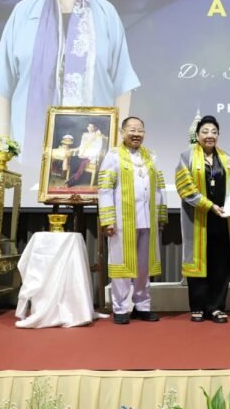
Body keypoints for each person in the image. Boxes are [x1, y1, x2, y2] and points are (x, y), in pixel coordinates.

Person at [0, 0, 140, 163]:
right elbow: (1, 82)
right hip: (26, 148)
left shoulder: (106, 13)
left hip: (95, 149)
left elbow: (123, 84)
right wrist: (4, 147)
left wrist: (118, 147)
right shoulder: (24, 11)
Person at [98, 116, 167, 324]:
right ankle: (120, 307)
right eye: (132, 130)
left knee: (144, 267)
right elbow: (104, 188)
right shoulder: (113, 155)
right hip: (121, 221)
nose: (136, 134)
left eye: (140, 130)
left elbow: (159, 188)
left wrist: (161, 215)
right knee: (121, 265)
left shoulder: (151, 156)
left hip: (148, 220)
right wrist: (108, 219)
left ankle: (142, 305)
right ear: (122, 132)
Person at [175, 115, 230, 323]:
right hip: (198, 219)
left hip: (223, 219)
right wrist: (209, 206)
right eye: (205, 131)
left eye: (214, 131)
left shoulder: (227, 158)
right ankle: (197, 306)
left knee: (220, 264)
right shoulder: (186, 157)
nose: (210, 135)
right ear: (197, 135)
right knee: (198, 262)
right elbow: (185, 189)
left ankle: (216, 307)